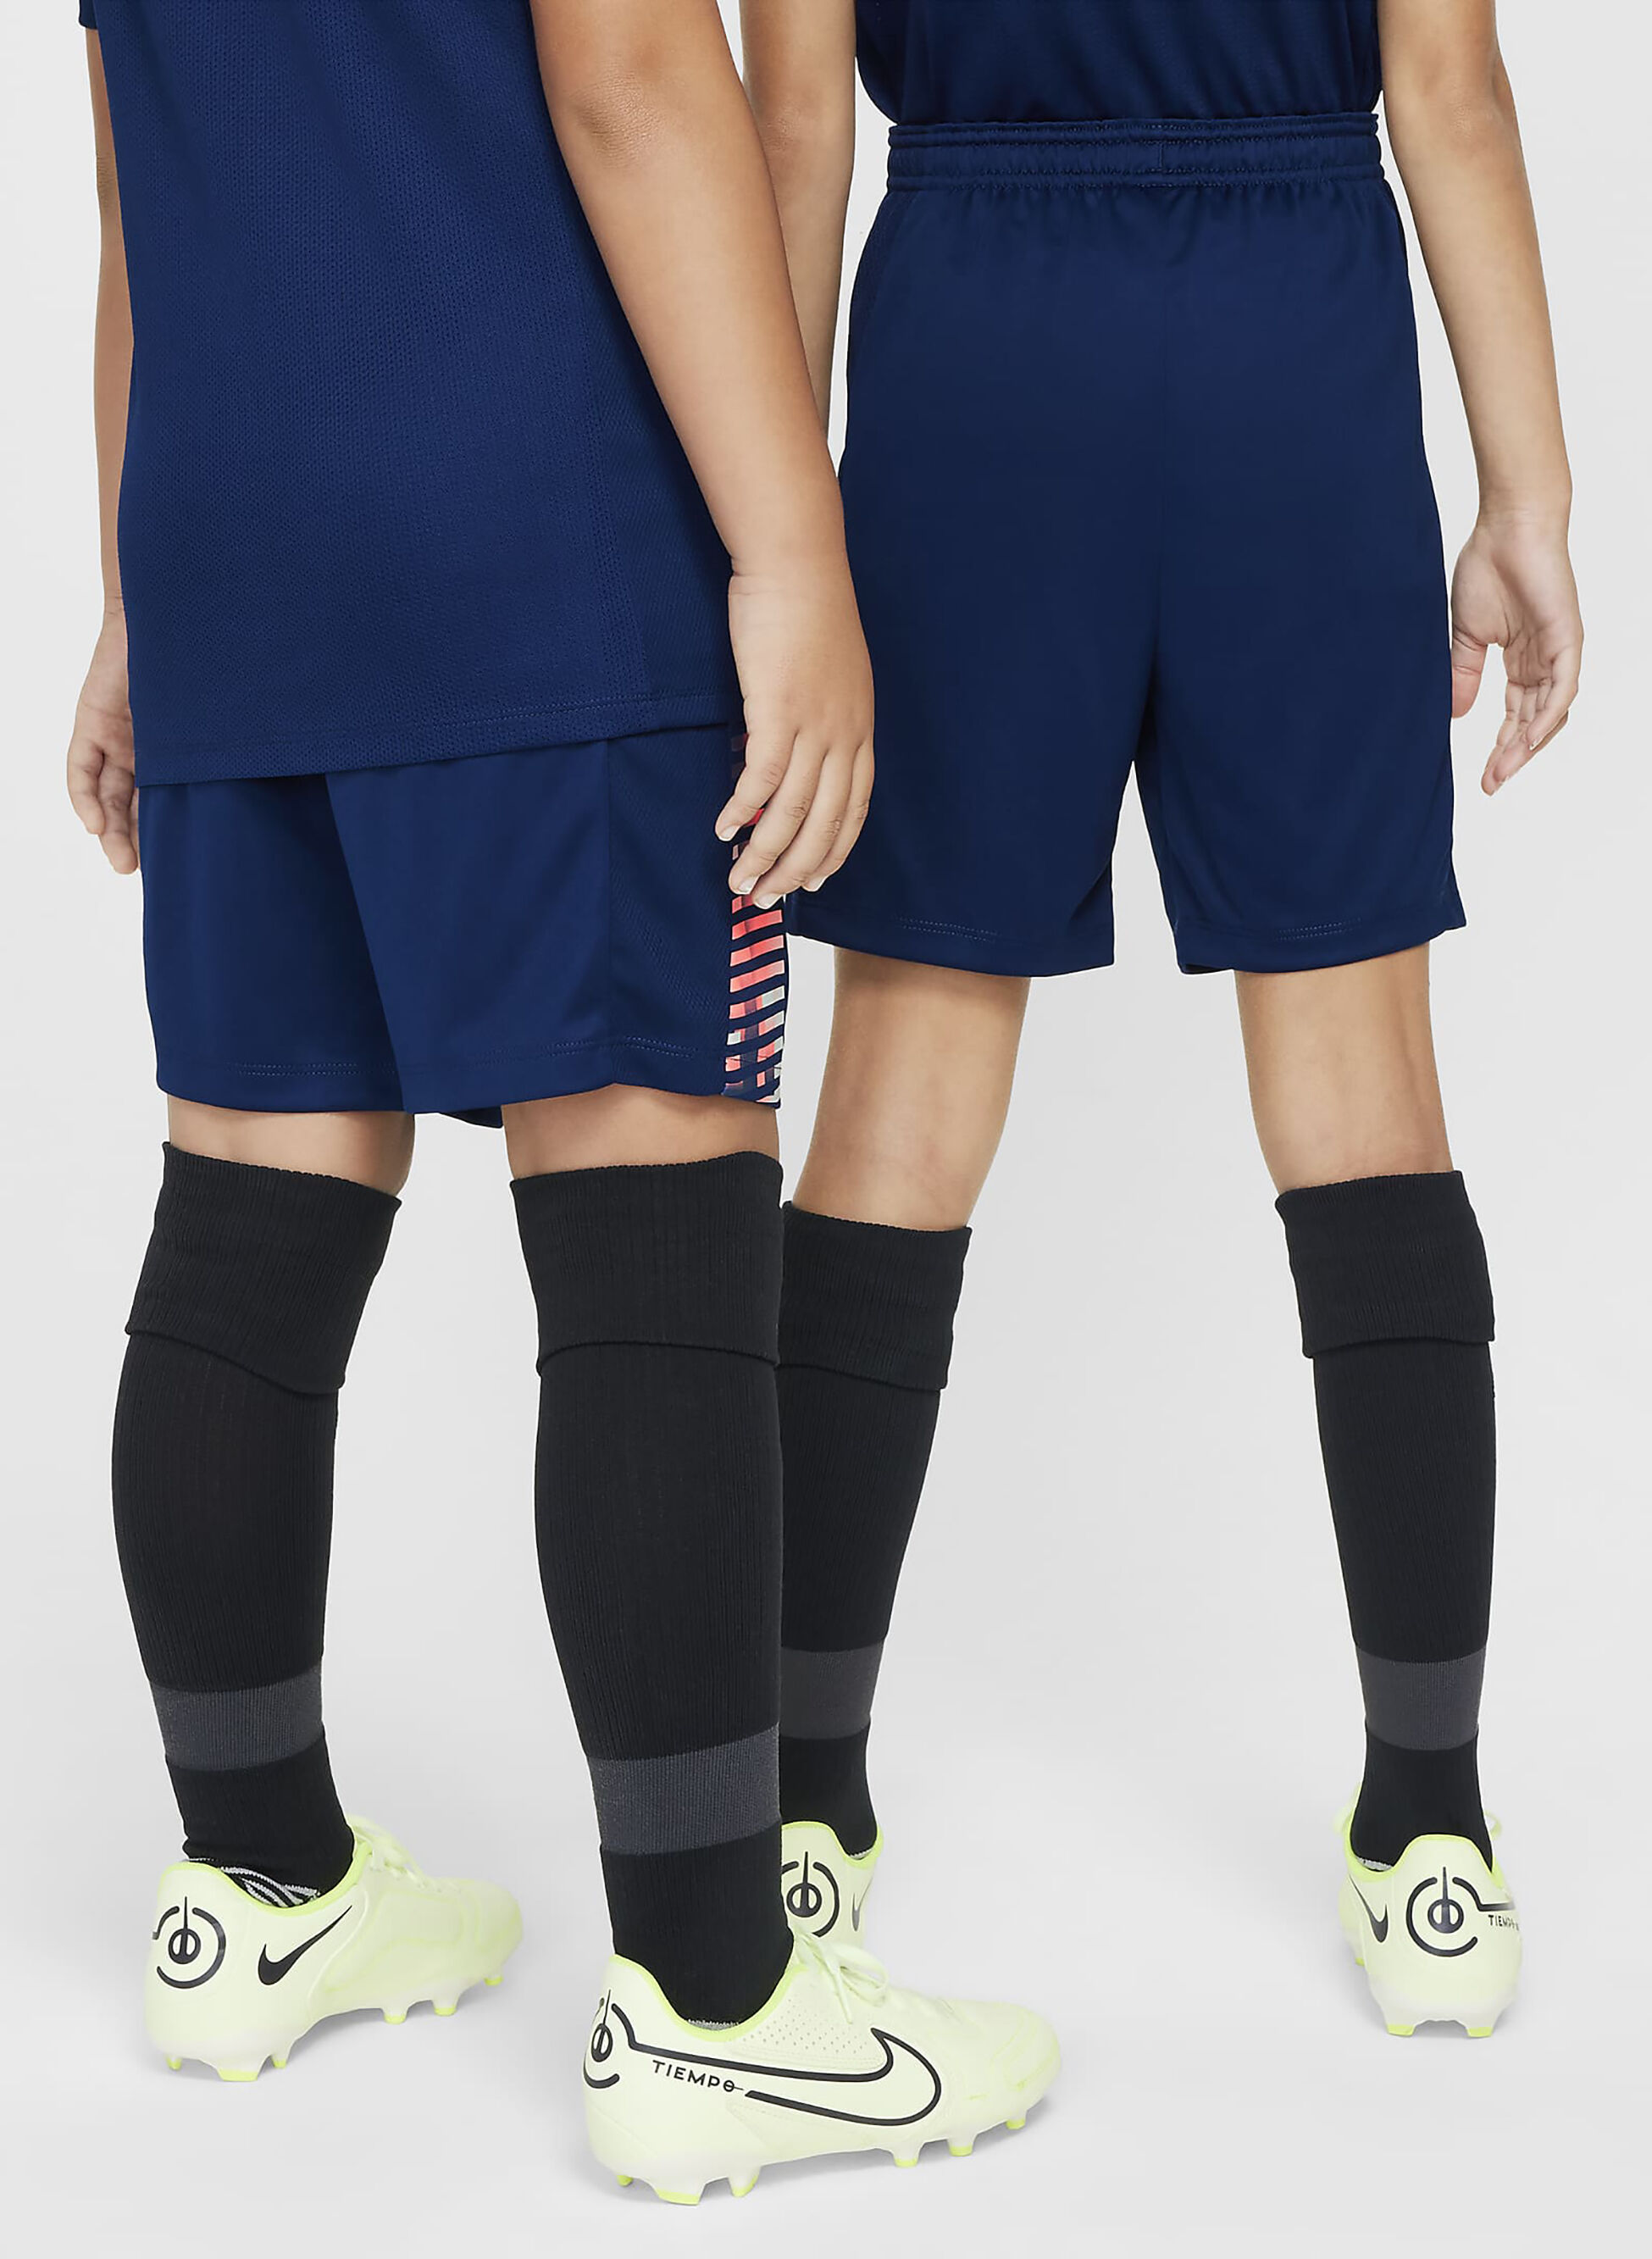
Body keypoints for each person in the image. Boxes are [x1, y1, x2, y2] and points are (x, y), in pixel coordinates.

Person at [66, 0, 1055, 2198]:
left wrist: (138, 602)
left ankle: (257, 1887)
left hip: (232, 523)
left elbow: (136, 189)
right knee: (649, 1216)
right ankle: (717, 2003)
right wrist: (791, 551)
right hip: (529, 507)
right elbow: (630, 74)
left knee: (247, 1212)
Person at [743, 0, 1581, 2038]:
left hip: (976, 361)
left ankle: (795, 1803)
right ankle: (1433, 1828)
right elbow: (1450, 89)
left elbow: (795, 130)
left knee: (897, 1109)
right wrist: (1528, 493)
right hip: (1288, 350)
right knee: (1368, 1094)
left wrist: (767, 540)